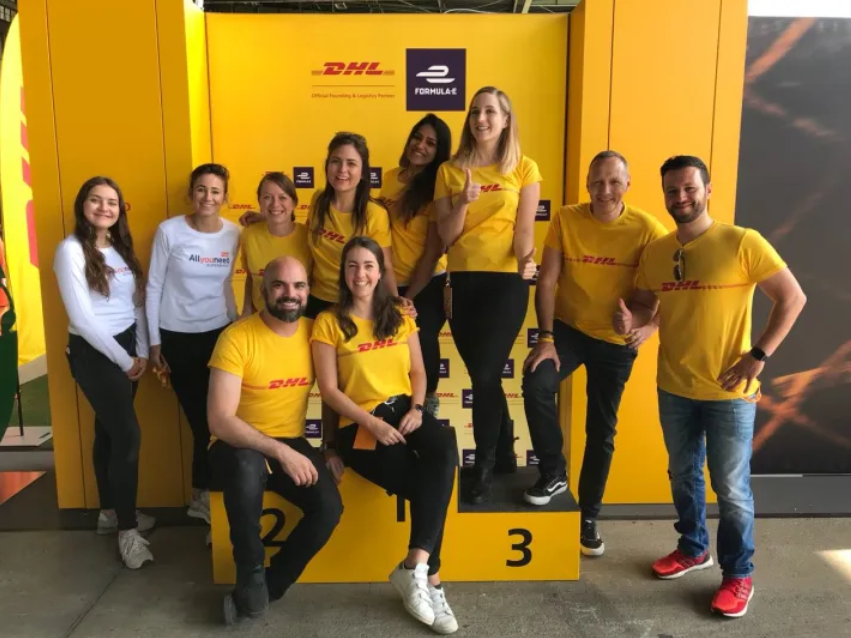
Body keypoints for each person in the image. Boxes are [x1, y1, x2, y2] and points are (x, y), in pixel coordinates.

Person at [614, 155, 806, 618]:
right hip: (674, 386)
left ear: (707, 190)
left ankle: (738, 574)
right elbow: (645, 305)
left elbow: (792, 297)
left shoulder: (742, 242)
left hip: (729, 392)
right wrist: (631, 320)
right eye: (672, 190)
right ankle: (693, 548)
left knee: (731, 488)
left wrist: (758, 355)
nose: (680, 197)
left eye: (689, 188)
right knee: (682, 475)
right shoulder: (657, 251)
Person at [522, 151, 668, 556]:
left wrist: (643, 325)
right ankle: (553, 473)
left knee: (601, 431)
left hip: (615, 342)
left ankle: (588, 515)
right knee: (536, 383)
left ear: (628, 184)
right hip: (568, 331)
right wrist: (546, 337)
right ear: (587, 183)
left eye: (614, 182)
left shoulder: (648, 230)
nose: (605, 190)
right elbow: (547, 281)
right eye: (597, 182)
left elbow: (660, 295)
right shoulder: (566, 218)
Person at [311, 237, 459, 635]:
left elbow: (418, 371)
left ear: (380, 273)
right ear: (343, 273)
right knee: (426, 486)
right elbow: (330, 391)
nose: (360, 274)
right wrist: (369, 425)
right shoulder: (328, 322)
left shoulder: (399, 315)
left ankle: (415, 566)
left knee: (445, 447)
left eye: (368, 266)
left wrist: (417, 408)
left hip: (405, 411)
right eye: (352, 266)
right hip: (360, 424)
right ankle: (431, 580)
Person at [208, 255, 343, 625]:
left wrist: (329, 446)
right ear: (263, 291)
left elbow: (333, 391)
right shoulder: (236, 338)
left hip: (289, 440)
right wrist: (279, 451)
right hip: (235, 443)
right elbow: (220, 420)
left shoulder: (316, 333)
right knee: (247, 463)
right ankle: (250, 570)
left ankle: (269, 586)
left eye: (298, 286)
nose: (289, 294)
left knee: (329, 508)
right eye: (279, 285)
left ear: (308, 291)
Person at [434, 86, 540, 504]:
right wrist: (462, 200)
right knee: (487, 374)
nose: (481, 119)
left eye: (490, 111)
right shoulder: (450, 170)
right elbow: (446, 235)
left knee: (482, 375)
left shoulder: (524, 168)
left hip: (505, 284)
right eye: (475, 111)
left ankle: (483, 465)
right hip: (462, 283)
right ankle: (508, 449)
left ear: (506, 119)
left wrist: (527, 260)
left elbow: (524, 229)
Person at [54, 177, 154, 569]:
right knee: (128, 435)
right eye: (95, 200)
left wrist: (140, 350)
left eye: (112, 202)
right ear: (83, 205)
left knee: (109, 431)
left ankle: (110, 512)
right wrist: (124, 360)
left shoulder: (120, 248)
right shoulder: (70, 250)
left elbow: (136, 304)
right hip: (94, 353)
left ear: (120, 209)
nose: (104, 208)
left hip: (127, 346)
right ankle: (128, 532)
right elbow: (82, 318)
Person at [146, 163, 241, 527]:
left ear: (225, 197)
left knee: (223, 420)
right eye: (201, 189)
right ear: (191, 193)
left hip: (219, 334)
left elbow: (228, 285)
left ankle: (211, 494)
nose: (208, 197)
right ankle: (202, 496)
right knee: (203, 423)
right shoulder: (169, 231)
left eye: (215, 191)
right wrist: (154, 342)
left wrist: (235, 325)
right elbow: (153, 286)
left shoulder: (233, 233)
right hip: (177, 338)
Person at [378, 114, 452, 416]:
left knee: (421, 342)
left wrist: (409, 296)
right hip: (388, 281)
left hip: (427, 283)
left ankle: (427, 406)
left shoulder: (438, 187)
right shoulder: (390, 177)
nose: (420, 145)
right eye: (417, 137)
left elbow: (434, 251)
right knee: (387, 346)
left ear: (439, 152)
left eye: (430, 143)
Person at [306, 131, 399, 320]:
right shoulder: (317, 200)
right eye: (336, 161)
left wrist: (395, 304)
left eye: (351, 163)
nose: (342, 169)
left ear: (363, 171)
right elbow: (301, 235)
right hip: (315, 300)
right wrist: (269, 219)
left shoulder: (374, 214)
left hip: (355, 304)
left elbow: (385, 266)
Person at [239, 172, 312, 316]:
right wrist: (246, 309)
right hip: (260, 317)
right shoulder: (249, 234)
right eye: (267, 197)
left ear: (294, 203)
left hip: (298, 318)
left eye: (282, 197)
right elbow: (251, 277)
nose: (275, 204)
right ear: (260, 202)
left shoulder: (309, 237)